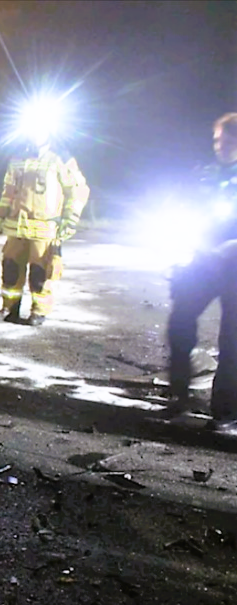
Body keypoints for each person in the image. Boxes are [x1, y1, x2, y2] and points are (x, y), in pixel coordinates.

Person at [165, 112, 237, 434]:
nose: (220, 146)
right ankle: (178, 397)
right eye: (217, 140)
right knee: (180, 323)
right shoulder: (205, 174)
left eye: (227, 139)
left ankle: (226, 414)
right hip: (202, 261)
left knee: (232, 340)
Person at [0, 125, 89, 326]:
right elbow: (8, 192)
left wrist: (71, 219)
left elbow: (78, 190)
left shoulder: (60, 158)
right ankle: (9, 307)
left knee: (40, 272)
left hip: (44, 227)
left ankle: (38, 311)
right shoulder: (17, 158)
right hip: (17, 225)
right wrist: (0, 215)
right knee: (10, 269)